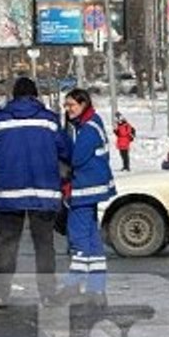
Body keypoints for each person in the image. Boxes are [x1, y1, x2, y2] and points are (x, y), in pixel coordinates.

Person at [0, 76, 71, 306]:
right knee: (44, 244)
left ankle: (0, 293)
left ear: (13, 96)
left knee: (7, 242)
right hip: (44, 192)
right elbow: (66, 150)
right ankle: (48, 294)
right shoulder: (49, 121)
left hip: (9, 192)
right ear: (35, 95)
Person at [58, 89, 117, 306]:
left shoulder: (88, 129)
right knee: (93, 242)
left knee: (79, 238)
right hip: (91, 188)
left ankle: (73, 285)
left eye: (72, 105)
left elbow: (76, 157)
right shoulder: (89, 124)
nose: (68, 109)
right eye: (66, 105)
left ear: (84, 104)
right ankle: (96, 288)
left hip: (84, 190)